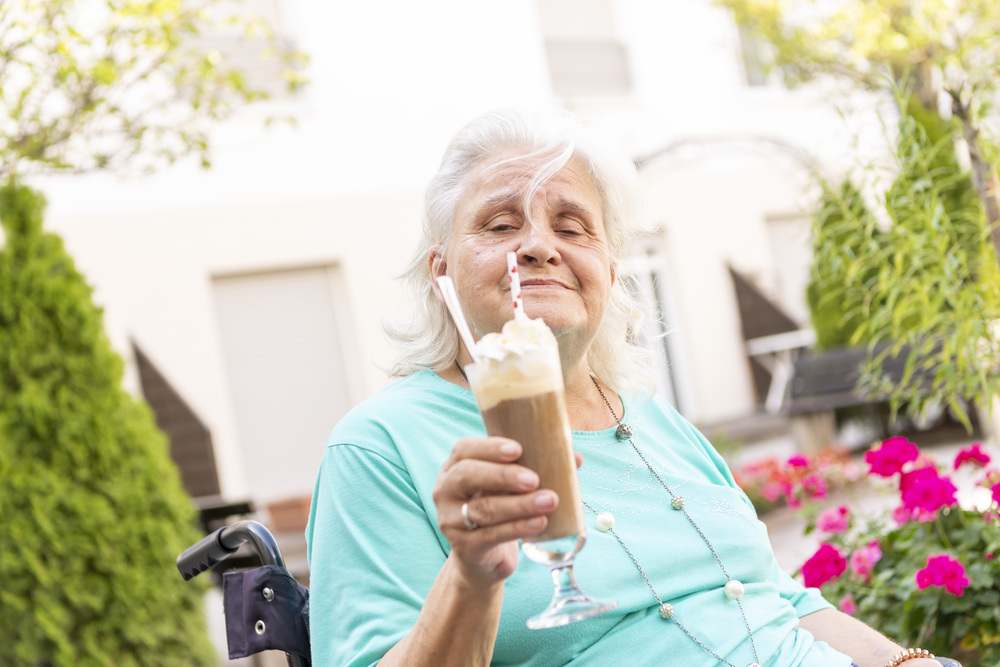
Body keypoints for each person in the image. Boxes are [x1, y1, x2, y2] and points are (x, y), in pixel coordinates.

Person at [305, 109, 946, 667]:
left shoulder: (651, 416)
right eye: (500, 224)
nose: (537, 246)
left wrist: (905, 662)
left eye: (571, 225)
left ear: (609, 273)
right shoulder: (380, 447)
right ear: (442, 273)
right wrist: (470, 577)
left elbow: (775, 598)